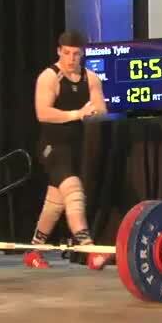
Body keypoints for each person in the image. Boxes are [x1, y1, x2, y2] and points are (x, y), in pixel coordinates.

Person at [25, 30, 109, 270]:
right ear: (59, 51)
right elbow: (43, 113)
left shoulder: (90, 78)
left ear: (82, 54)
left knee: (55, 202)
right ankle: (89, 249)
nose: (72, 59)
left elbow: (100, 109)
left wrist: (93, 111)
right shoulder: (49, 77)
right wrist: (76, 114)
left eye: (76, 54)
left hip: (76, 149)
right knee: (73, 190)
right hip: (51, 147)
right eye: (67, 53)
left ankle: (33, 251)